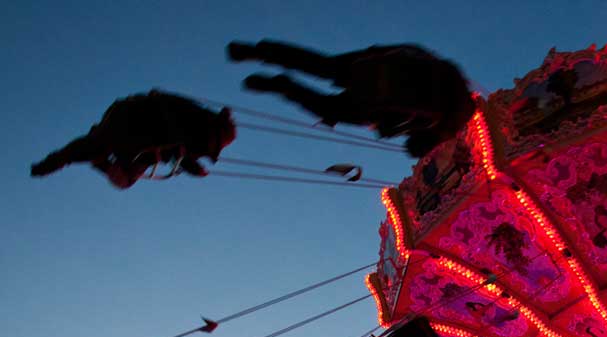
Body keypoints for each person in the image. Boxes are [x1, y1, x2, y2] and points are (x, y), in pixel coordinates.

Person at [227, 40, 475, 157]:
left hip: (380, 66)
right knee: (329, 108)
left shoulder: (447, 74)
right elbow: (418, 144)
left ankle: (262, 52)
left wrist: (376, 53)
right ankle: (283, 87)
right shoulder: (450, 122)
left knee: (320, 65)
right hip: (380, 101)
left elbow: (414, 49)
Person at [31, 91, 235, 189]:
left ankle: (98, 161)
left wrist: (188, 163)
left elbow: (178, 148)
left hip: (137, 140)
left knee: (120, 174)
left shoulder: (193, 130)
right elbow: (165, 113)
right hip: (128, 125)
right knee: (98, 148)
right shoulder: (186, 117)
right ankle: (87, 159)